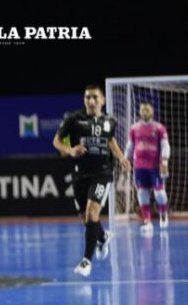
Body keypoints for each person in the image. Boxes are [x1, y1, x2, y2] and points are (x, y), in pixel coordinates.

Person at [53, 85, 131, 278]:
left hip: (103, 173)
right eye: (88, 97)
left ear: (102, 100)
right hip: (80, 175)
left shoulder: (109, 120)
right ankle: (103, 237)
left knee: (91, 212)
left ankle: (86, 261)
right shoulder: (73, 119)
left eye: (95, 97)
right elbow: (56, 141)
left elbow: (110, 139)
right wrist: (70, 150)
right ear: (84, 100)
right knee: (85, 219)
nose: (91, 101)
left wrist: (121, 157)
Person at [124, 102, 171, 235]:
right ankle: (147, 221)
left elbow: (165, 145)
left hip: (155, 167)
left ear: (152, 112)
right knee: (142, 194)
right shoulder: (134, 128)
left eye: (147, 110)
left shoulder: (159, 128)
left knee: (159, 193)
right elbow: (130, 146)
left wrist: (165, 160)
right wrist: (125, 159)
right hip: (139, 167)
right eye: (142, 110)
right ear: (140, 112)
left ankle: (163, 213)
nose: (145, 112)